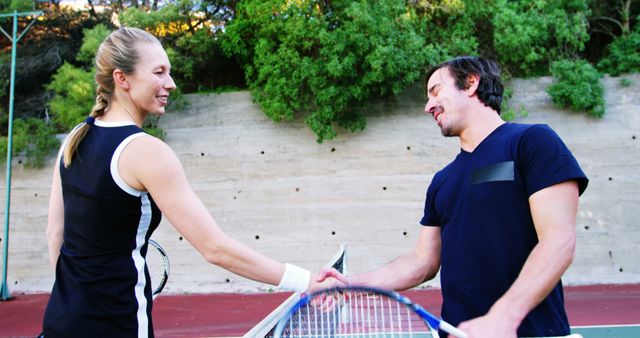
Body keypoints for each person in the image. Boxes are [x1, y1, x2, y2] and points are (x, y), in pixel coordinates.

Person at [42, 27, 343, 338]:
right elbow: (215, 249)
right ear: (122, 79)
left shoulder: (74, 139)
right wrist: (306, 281)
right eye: (159, 72)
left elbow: (55, 234)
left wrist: (69, 298)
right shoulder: (145, 151)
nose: (170, 84)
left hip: (60, 322)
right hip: (116, 327)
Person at [319, 56, 588, 338]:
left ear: (471, 83)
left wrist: (502, 318)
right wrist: (350, 285)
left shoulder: (532, 142)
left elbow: (559, 241)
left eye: (436, 91)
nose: (428, 106)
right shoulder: (442, 181)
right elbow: (423, 261)